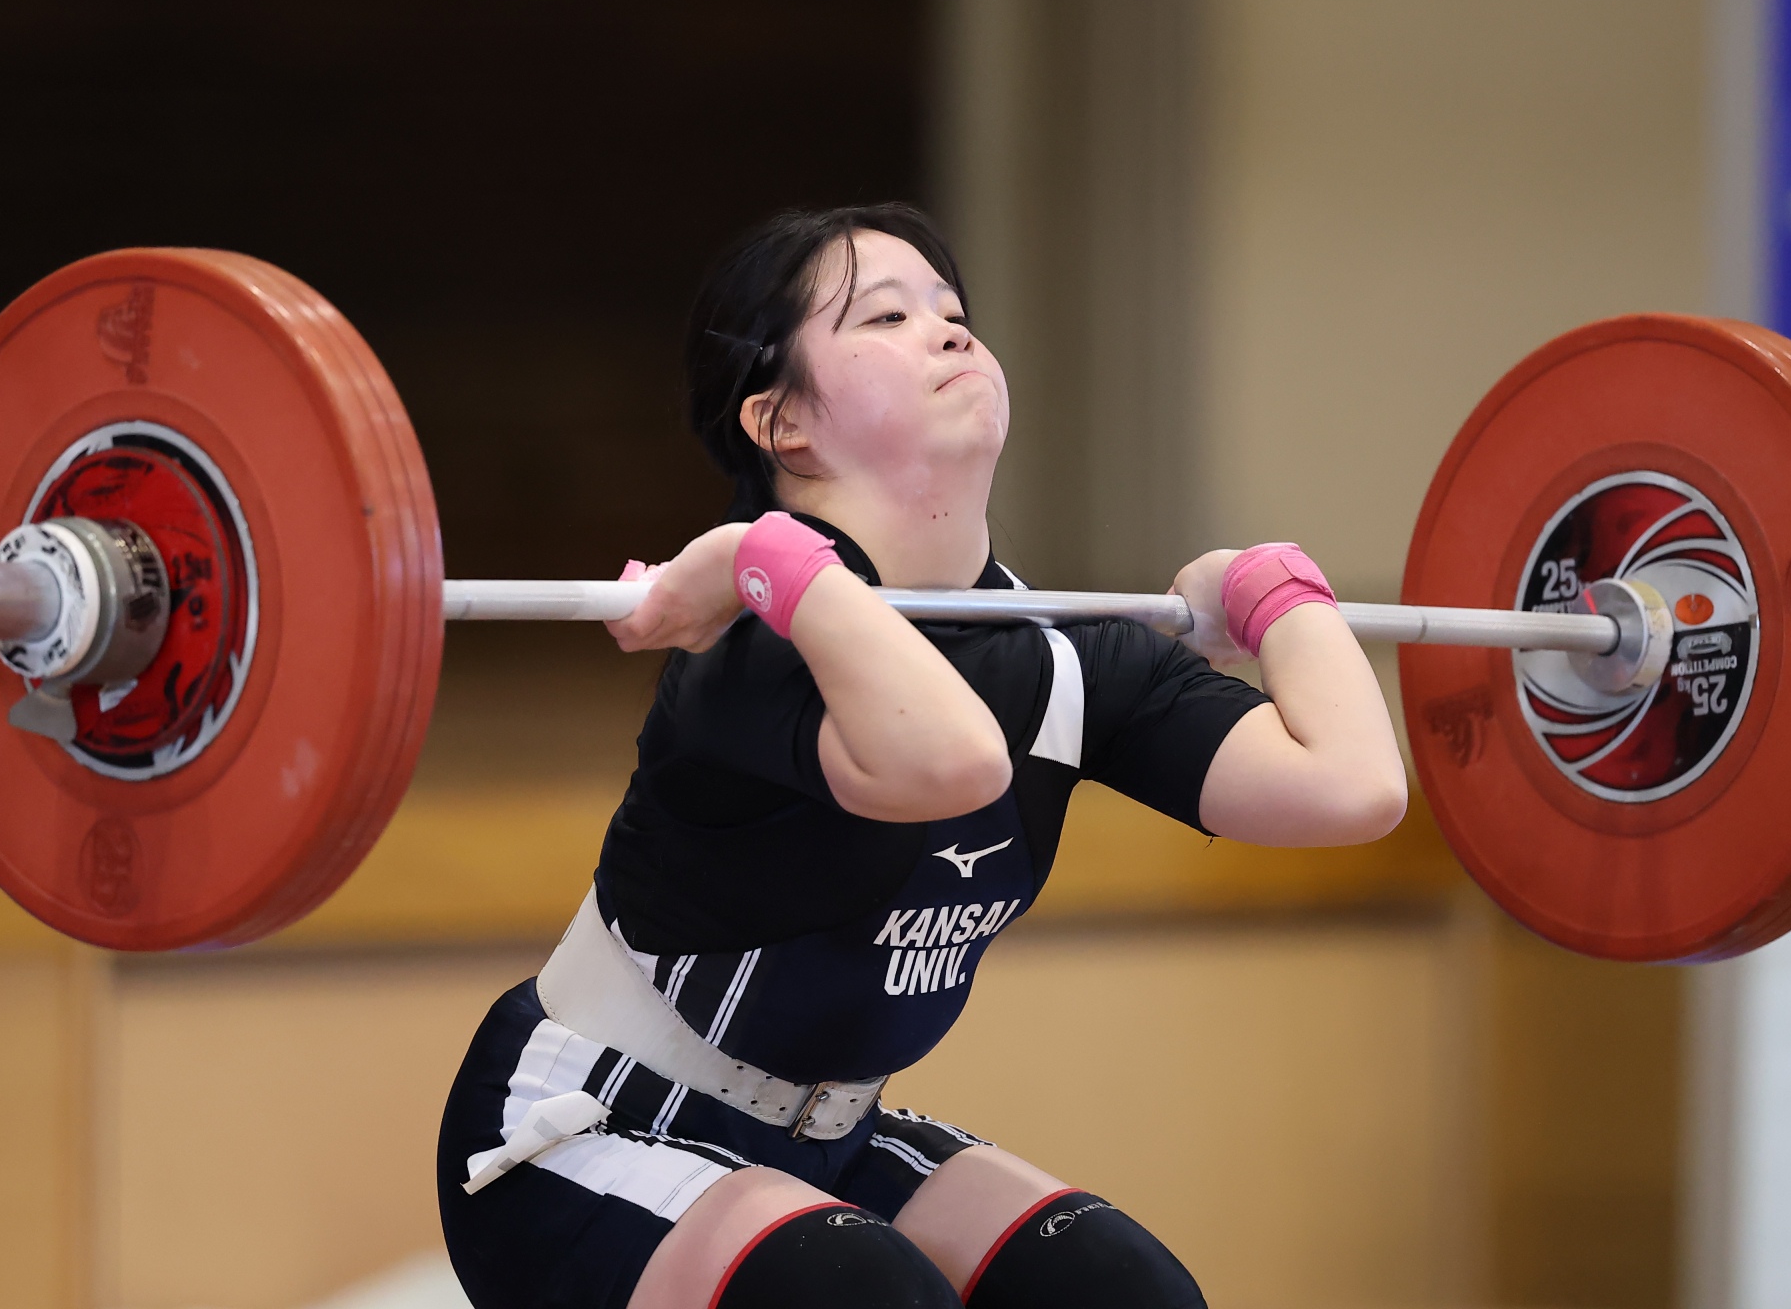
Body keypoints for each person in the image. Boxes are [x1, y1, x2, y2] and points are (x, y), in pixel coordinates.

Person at [437, 204, 1408, 1309]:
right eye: (886, 317)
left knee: (1123, 1293)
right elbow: (955, 762)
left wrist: (1269, 585)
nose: (950, 331)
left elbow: (1353, 786)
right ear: (782, 423)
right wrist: (770, 561)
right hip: (582, 1130)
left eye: (952, 311)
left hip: (829, 1140)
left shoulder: (1071, 656)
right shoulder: (756, 647)